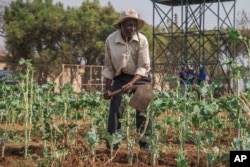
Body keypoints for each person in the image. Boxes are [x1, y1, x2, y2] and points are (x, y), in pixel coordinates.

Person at [102, 9, 152, 150]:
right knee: (116, 110)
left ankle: (146, 145)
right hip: (121, 77)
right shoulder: (110, 41)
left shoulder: (142, 40)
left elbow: (143, 67)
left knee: (143, 110)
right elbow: (108, 67)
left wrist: (131, 84)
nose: (133, 28)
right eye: (129, 25)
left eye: (134, 25)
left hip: (140, 78)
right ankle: (112, 145)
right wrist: (107, 89)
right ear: (122, 25)